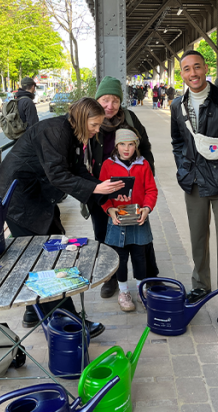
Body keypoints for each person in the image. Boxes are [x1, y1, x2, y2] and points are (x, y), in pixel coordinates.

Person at [0, 98, 126, 335]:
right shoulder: (55, 131)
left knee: (47, 252)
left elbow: (79, 171)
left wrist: (104, 196)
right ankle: (71, 322)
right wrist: (96, 189)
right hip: (19, 200)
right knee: (48, 261)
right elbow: (58, 175)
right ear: (82, 119)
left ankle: (34, 311)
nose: (96, 130)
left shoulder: (72, 133)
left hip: (38, 198)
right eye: (94, 124)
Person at [170, 50, 218, 326]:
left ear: (206, 68)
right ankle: (200, 285)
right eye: (186, 69)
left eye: (196, 67)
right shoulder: (178, 105)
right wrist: (183, 168)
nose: (192, 74)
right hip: (194, 182)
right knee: (198, 237)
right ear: (182, 74)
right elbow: (177, 141)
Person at [89, 77, 155, 299]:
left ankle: (149, 277)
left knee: (139, 231)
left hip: (131, 183)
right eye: (105, 100)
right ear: (97, 99)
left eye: (115, 100)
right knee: (104, 232)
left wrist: (147, 175)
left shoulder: (129, 117)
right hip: (99, 185)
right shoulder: (90, 118)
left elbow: (145, 146)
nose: (110, 105)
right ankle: (111, 278)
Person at [100, 128, 159, 312]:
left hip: (138, 219)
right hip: (117, 219)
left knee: (140, 257)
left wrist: (147, 209)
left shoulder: (143, 165)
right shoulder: (108, 166)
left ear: (136, 146)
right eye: (122, 144)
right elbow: (102, 193)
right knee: (120, 257)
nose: (127, 149)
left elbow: (151, 190)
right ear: (116, 146)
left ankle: (142, 290)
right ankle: (123, 292)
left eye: (131, 144)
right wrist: (110, 209)